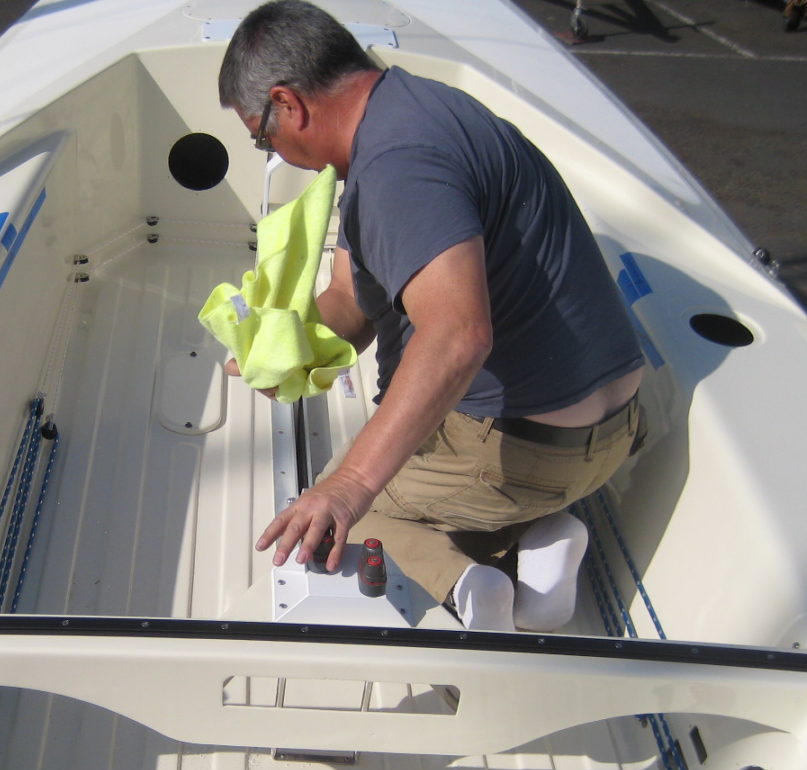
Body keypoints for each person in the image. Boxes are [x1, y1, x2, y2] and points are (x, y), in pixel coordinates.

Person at [218, 0, 646, 631]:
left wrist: (347, 487)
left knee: (331, 524)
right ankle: (543, 541)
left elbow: (457, 336)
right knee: (390, 477)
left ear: (289, 104)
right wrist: (282, 345)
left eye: (262, 135)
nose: (272, 150)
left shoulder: (395, 168)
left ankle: (478, 589)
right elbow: (351, 298)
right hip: (613, 432)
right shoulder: (416, 110)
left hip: (525, 451)